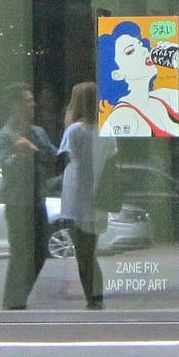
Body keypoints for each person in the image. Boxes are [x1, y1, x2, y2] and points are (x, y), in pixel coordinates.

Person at [0, 86, 57, 310]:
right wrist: (19, 154)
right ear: (16, 106)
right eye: (28, 102)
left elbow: (53, 156)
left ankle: (19, 296)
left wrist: (35, 149)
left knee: (40, 251)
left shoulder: (37, 132)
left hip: (37, 201)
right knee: (20, 253)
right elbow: (4, 165)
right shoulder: (6, 135)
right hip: (17, 203)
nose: (33, 105)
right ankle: (11, 302)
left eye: (32, 101)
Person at [59, 81, 112, 310]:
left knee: (83, 254)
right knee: (91, 251)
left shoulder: (74, 131)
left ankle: (93, 298)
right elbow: (111, 159)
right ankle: (96, 296)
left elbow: (63, 158)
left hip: (77, 200)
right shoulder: (106, 130)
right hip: (98, 198)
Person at [98, 21, 179, 137]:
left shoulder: (164, 96)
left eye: (140, 45)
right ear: (117, 74)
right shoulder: (123, 117)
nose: (144, 51)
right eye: (130, 51)